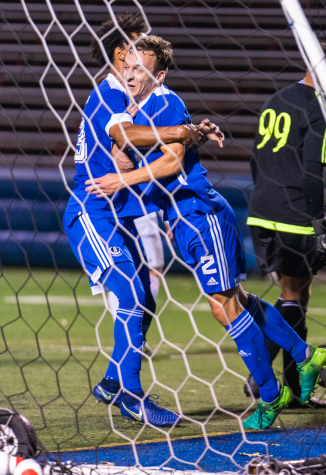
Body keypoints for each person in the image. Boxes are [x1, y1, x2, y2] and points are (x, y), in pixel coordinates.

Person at [85, 35, 326, 430]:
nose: (130, 75)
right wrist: (190, 131)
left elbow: (172, 163)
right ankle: (305, 355)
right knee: (238, 299)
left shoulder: (164, 102)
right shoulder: (140, 106)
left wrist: (123, 179)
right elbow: (144, 140)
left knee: (224, 306)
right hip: (182, 218)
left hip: (200, 214)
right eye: (127, 67)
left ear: (158, 74)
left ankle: (270, 395)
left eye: (140, 69)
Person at [63, 13, 223, 427]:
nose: (139, 57)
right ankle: (132, 397)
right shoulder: (109, 94)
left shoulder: (136, 97)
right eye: (134, 48)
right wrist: (183, 132)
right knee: (132, 295)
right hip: (92, 209)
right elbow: (128, 136)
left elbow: (155, 133)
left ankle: (113, 382)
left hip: (119, 214)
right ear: (119, 54)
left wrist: (192, 132)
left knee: (145, 299)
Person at [245, 43, 326, 408]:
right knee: (294, 296)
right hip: (292, 211)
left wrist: (264, 194)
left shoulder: (276, 99)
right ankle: (261, 376)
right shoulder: (320, 109)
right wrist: (319, 223)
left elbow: (254, 158)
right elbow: (312, 174)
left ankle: (293, 389)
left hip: (261, 206)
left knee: (297, 295)